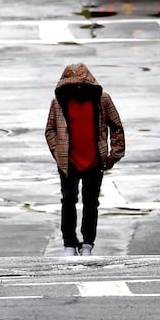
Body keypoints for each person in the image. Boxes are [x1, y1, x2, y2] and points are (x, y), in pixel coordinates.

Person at [44, 62, 125, 255]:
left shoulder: (102, 100)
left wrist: (114, 154)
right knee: (68, 200)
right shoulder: (59, 103)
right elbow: (50, 130)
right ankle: (69, 244)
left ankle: (88, 243)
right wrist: (58, 152)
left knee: (91, 203)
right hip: (68, 162)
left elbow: (116, 126)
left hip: (94, 161)